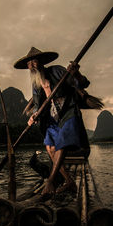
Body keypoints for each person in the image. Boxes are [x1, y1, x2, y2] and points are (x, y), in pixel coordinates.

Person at [14, 47, 91, 197]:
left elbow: (82, 84)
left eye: (34, 61)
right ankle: (69, 182)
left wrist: (77, 73)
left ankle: (50, 181)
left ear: (41, 62)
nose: (32, 65)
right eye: (29, 64)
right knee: (50, 146)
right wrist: (33, 116)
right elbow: (38, 106)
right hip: (52, 117)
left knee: (62, 142)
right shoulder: (36, 84)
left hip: (68, 112)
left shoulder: (57, 71)